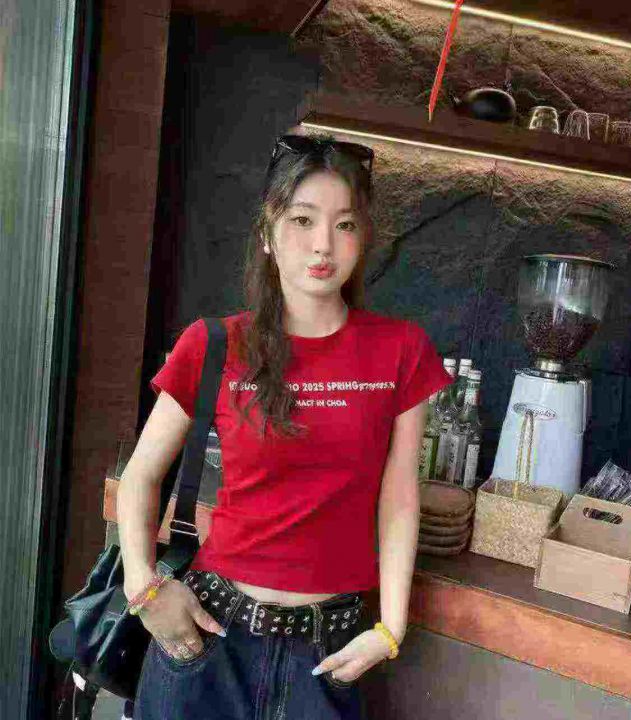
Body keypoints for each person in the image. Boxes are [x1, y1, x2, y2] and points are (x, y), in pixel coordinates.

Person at [117, 133, 451, 720]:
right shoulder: (214, 344)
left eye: (345, 225)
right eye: (302, 220)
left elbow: (399, 497)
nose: (323, 244)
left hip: (327, 656)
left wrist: (391, 628)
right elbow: (140, 476)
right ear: (268, 233)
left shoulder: (401, 351)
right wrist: (143, 590)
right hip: (207, 639)